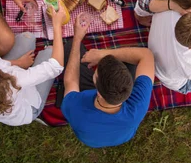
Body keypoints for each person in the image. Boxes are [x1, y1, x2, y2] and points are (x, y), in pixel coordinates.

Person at [60, 13, 155, 148]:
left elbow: (71, 81)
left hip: (90, 136)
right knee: (133, 59)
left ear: (97, 90)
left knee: (70, 48)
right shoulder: (138, 105)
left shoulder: (75, 107)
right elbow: (146, 55)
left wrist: (77, 38)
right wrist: (103, 54)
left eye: (96, 72)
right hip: (121, 135)